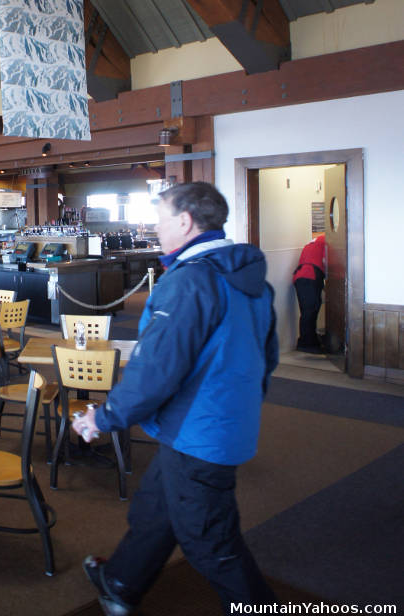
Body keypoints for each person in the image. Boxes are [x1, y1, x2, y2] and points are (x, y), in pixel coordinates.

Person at [76, 182, 277, 615]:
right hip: (223, 423)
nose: (156, 227)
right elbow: (268, 356)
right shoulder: (250, 278)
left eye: (161, 218)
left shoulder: (190, 281)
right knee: (155, 509)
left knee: (212, 543)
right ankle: (121, 583)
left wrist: (103, 418)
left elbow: (156, 370)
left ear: (185, 222)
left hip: (198, 432)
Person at [293, 232, 327, 352]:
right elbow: (326, 261)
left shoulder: (315, 241)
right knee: (310, 311)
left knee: (307, 311)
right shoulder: (327, 242)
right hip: (310, 276)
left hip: (300, 275)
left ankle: (309, 341)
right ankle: (307, 344)